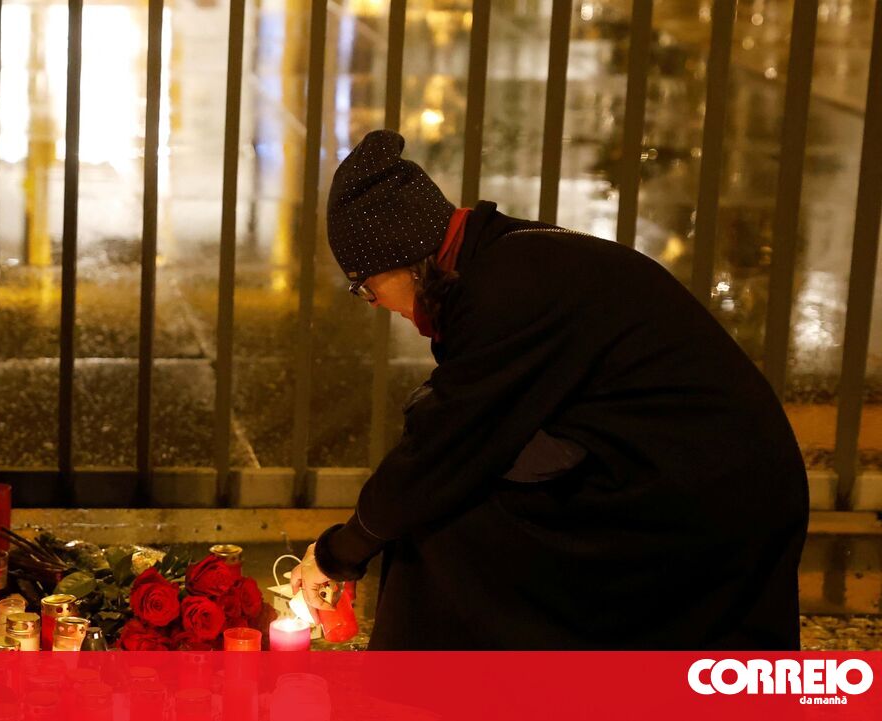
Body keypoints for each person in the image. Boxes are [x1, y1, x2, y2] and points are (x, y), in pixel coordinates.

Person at [290, 129, 809, 650]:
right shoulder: (505, 259)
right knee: (439, 498)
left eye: (365, 286)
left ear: (405, 258)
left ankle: (436, 687)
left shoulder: (505, 291)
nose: (374, 303)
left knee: (444, 523)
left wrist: (340, 553)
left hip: (707, 502)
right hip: (682, 472)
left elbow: (446, 448)